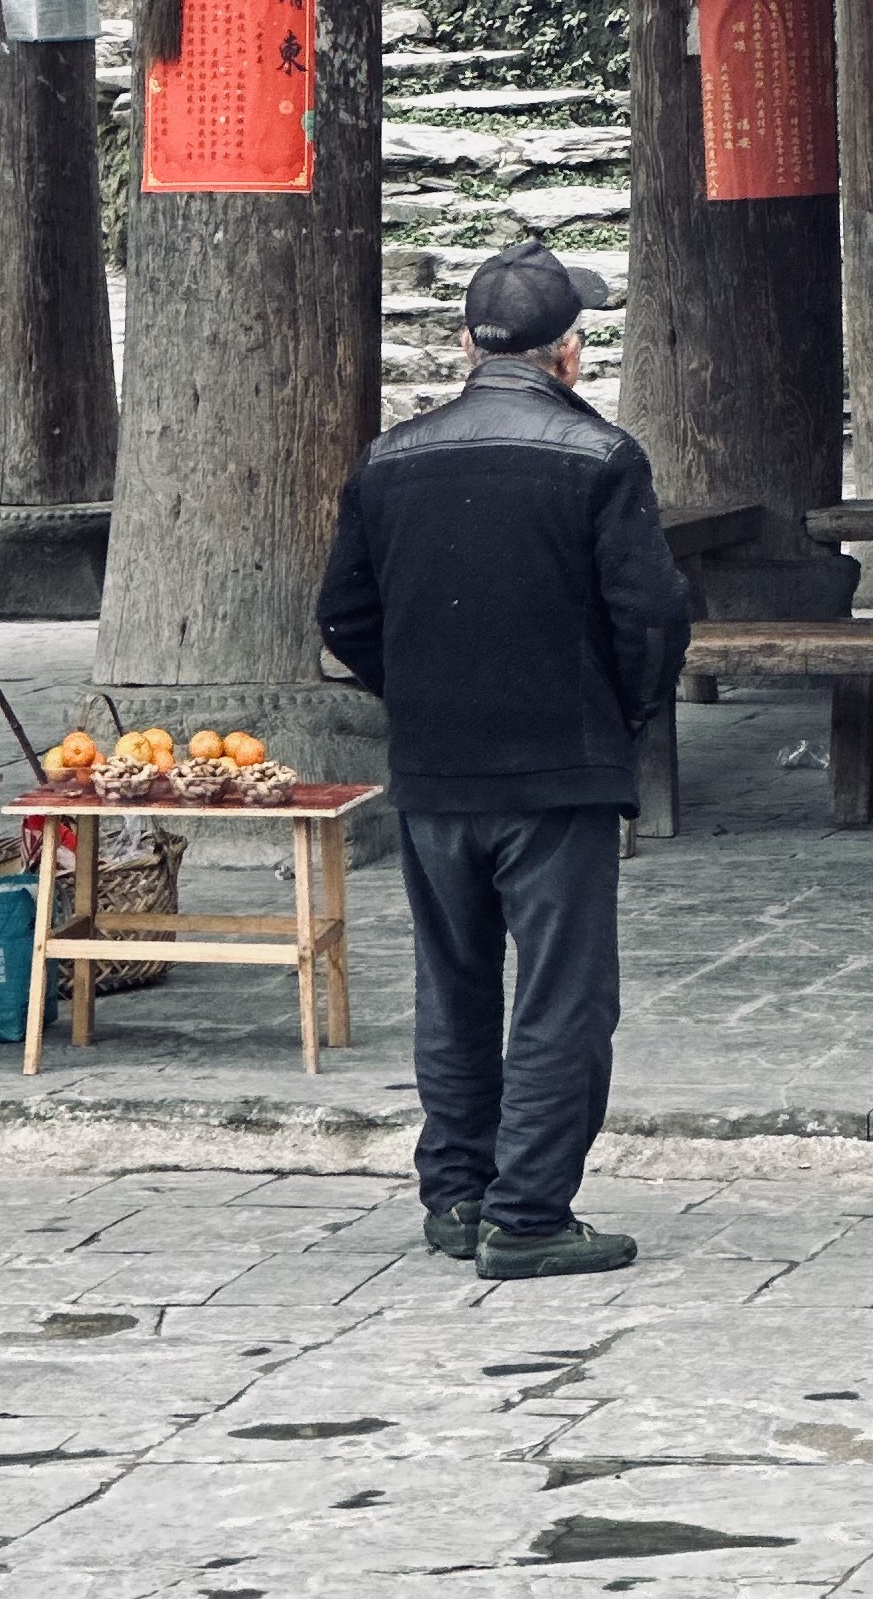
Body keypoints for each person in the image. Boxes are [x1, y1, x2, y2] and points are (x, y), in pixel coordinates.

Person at [316, 241, 688, 1281]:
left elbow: (344, 613)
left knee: (456, 984)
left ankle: (459, 1193)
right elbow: (651, 618)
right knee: (563, 994)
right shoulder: (601, 456)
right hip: (556, 767)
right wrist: (617, 712)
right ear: (568, 351)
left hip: (438, 770)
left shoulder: (389, 458)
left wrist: (431, 689)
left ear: (468, 344)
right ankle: (526, 1212)